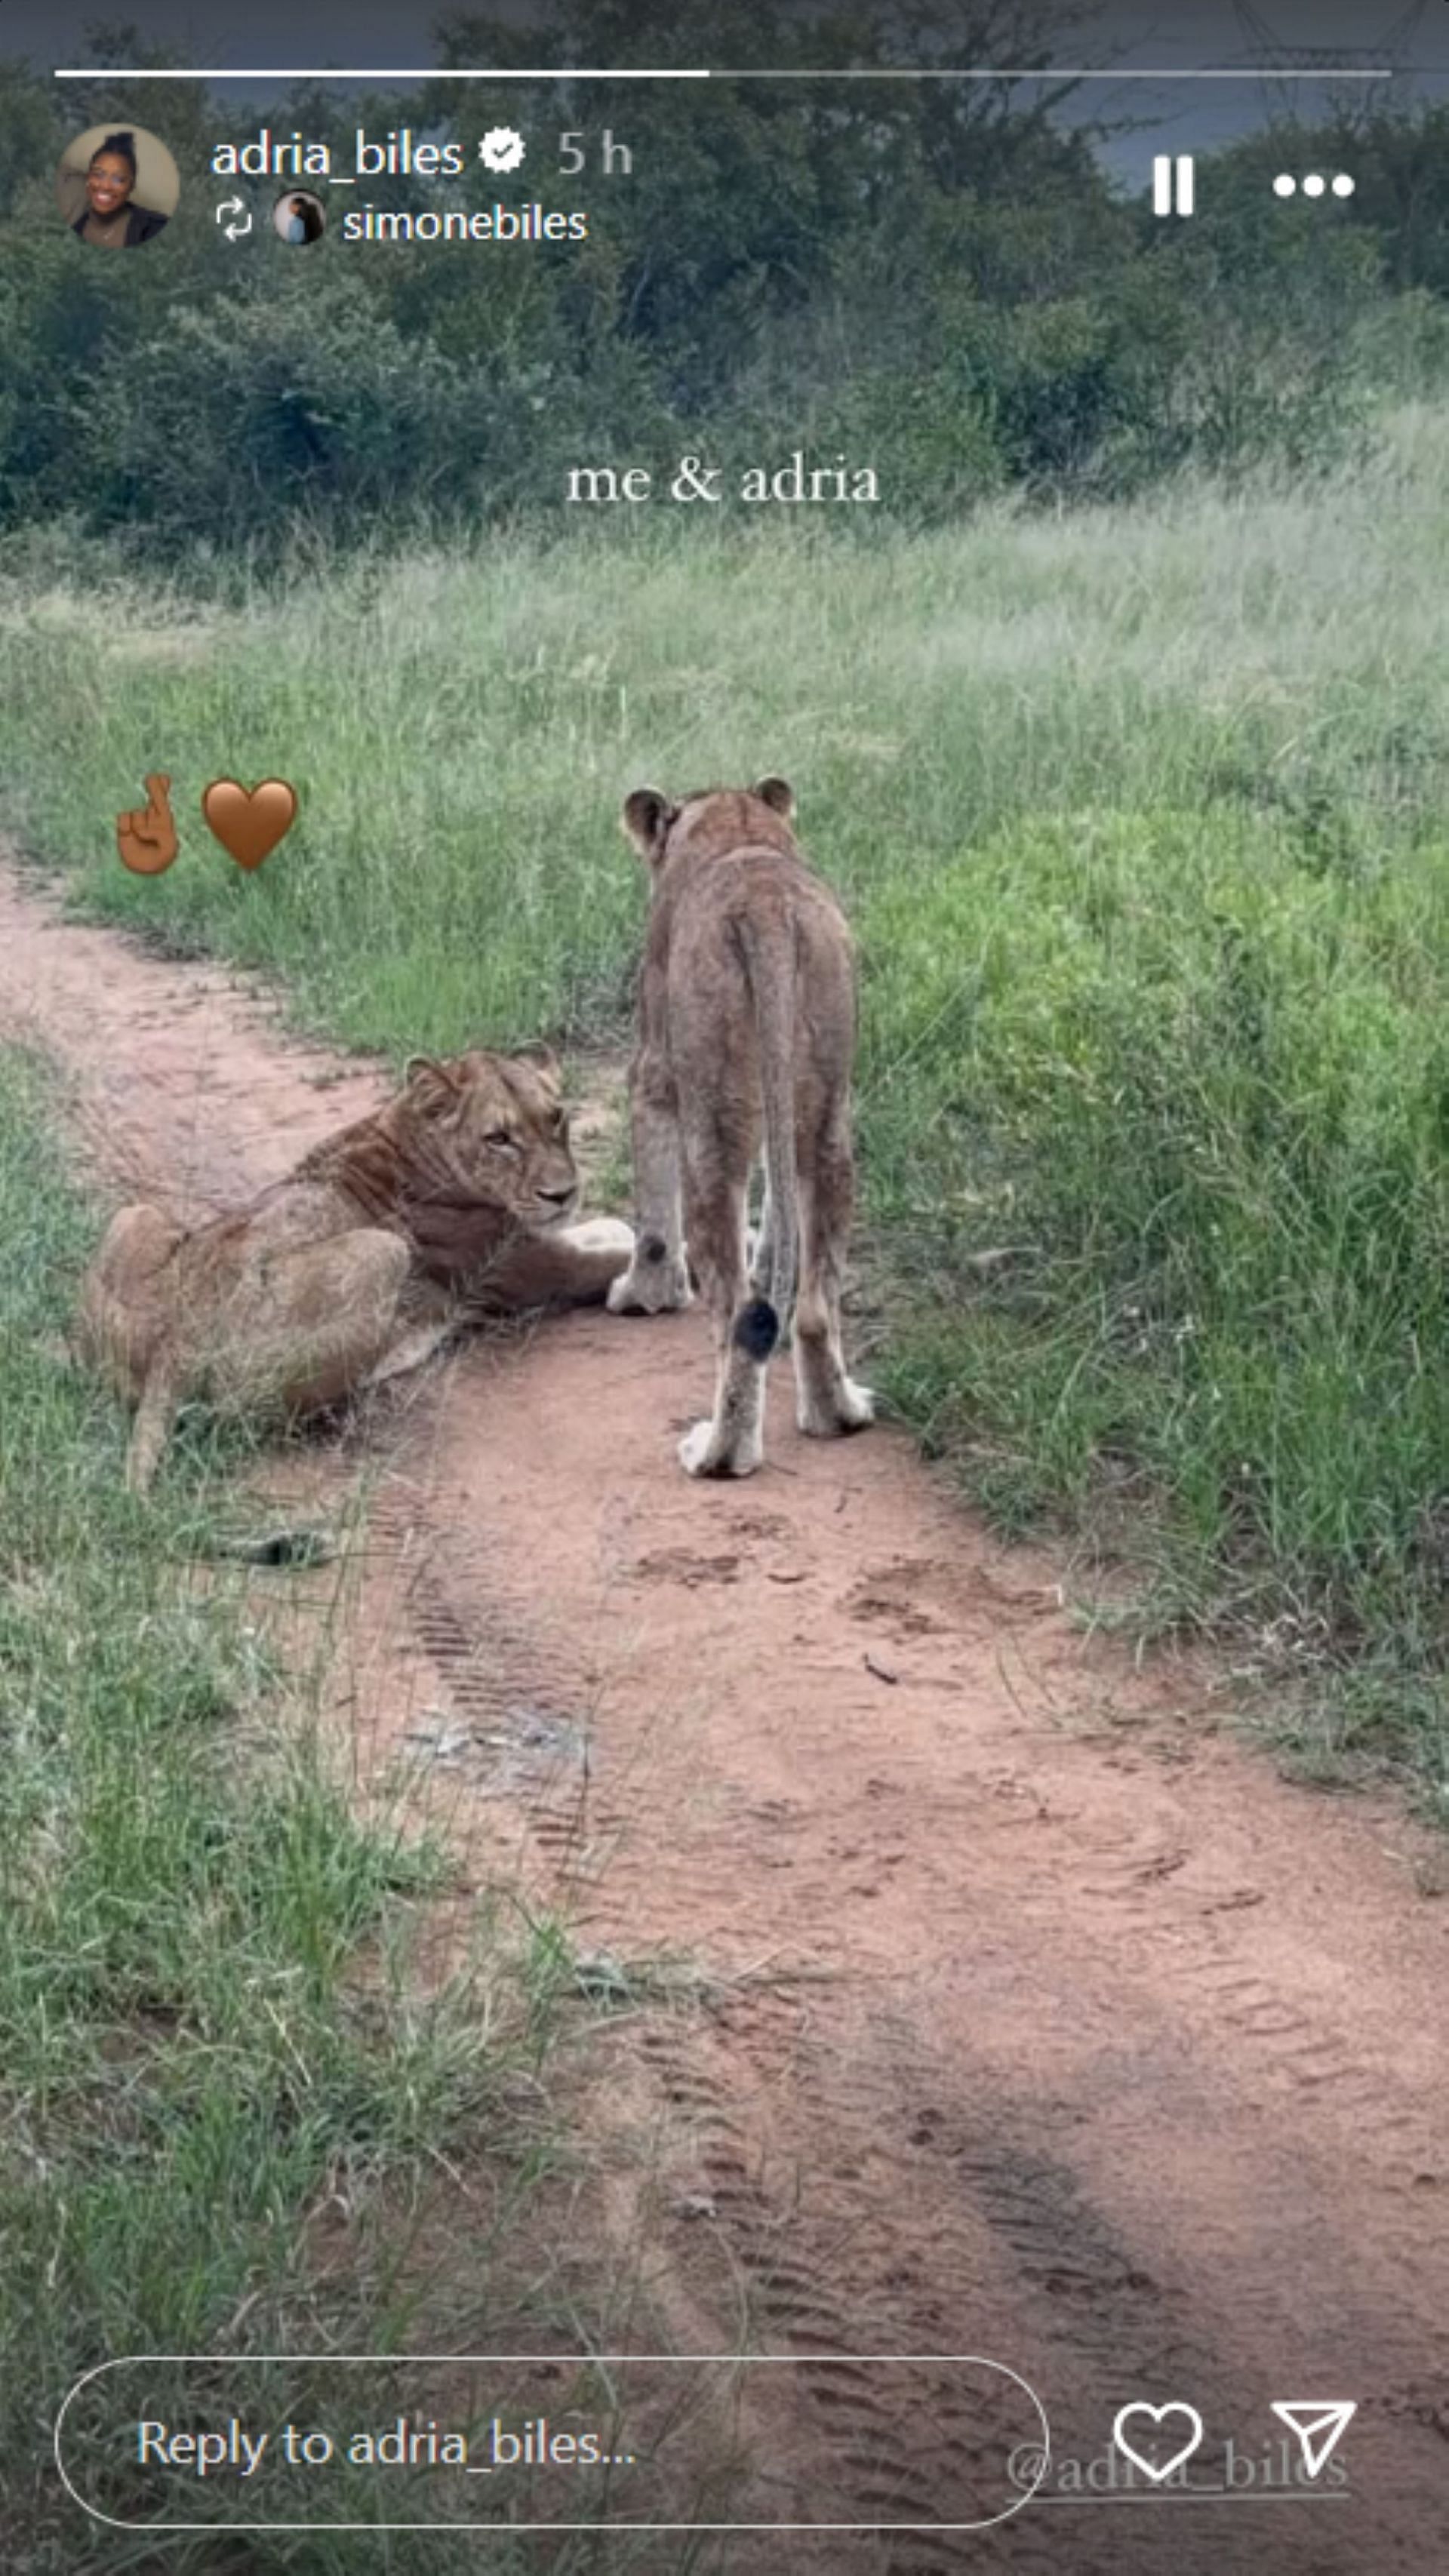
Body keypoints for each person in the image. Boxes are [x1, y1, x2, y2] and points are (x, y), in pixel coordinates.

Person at [72, 131, 169, 248]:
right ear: (88, 178)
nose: (106, 186)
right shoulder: (74, 227)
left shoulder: (155, 228)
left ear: (131, 186)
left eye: (119, 179)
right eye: (98, 175)